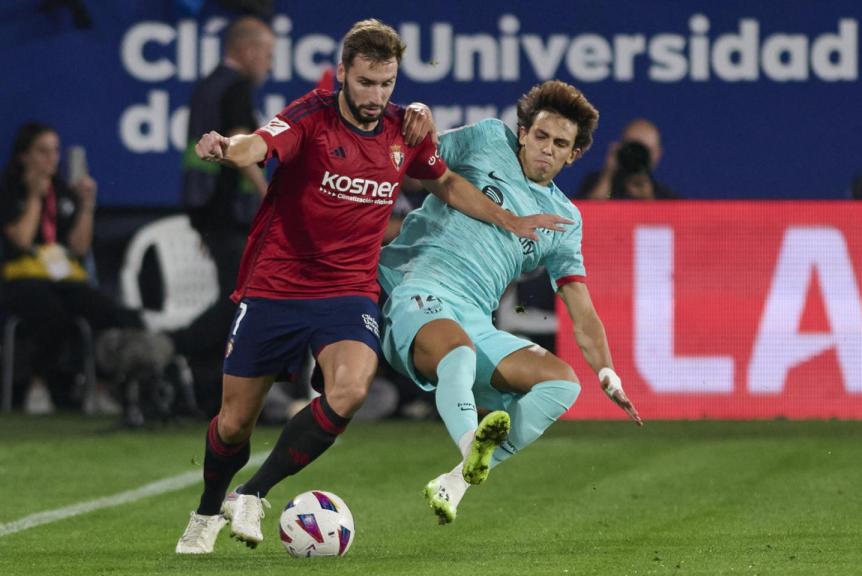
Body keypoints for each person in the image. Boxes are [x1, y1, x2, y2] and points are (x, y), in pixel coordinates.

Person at [175, 19, 568, 554]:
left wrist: (509, 220)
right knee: (233, 423)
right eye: (365, 83)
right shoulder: (309, 118)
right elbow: (259, 144)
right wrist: (226, 148)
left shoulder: (404, 130)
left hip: (349, 291)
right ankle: (204, 512)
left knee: (351, 388)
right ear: (342, 74)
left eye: (386, 84)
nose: (375, 95)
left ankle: (255, 493)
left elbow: (446, 182)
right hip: (277, 284)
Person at [377, 80, 643, 526]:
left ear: (573, 155)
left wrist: (607, 372)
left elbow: (582, 309)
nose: (547, 150)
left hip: (474, 317)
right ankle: (469, 446)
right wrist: (419, 111)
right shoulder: (486, 138)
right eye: (541, 136)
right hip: (417, 288)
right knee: (457, 351)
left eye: (561, 144)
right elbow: (421, 159)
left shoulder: (564, 221)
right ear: (523, 132)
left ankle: (456, 481)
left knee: (562, 384)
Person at [0, 123, 167, 414]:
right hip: (21, 278)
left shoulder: (62, 191)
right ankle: (38, 383)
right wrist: (34, 196)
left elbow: (78, 247)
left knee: (106, 309)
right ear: (24, 156)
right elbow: (22, 239)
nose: (51, 159)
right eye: (42, 151)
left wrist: (87, 206)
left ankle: (106, 385)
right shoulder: (9, 187)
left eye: (54, 151)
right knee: (52, 314)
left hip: (63, 277)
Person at [176, 16, 274, 402]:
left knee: (236, 296)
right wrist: (267, 192)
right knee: (241, 298)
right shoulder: (235, 87)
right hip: (229, 213)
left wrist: (205, 220)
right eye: (267, 55)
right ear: (248, 50)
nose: (268, 64)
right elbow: (237, 143)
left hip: (209, 210)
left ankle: (204, 385)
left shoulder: (208, 85)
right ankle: (177, 346)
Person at [576, 117, 677, 200]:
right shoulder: (596, 183)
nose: (637, 155)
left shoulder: (666, 197)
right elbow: (586, 215)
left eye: (643, 151)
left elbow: (669, 222)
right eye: (633, 148)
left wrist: (648, 199)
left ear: (657, 154)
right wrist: (607, 175)